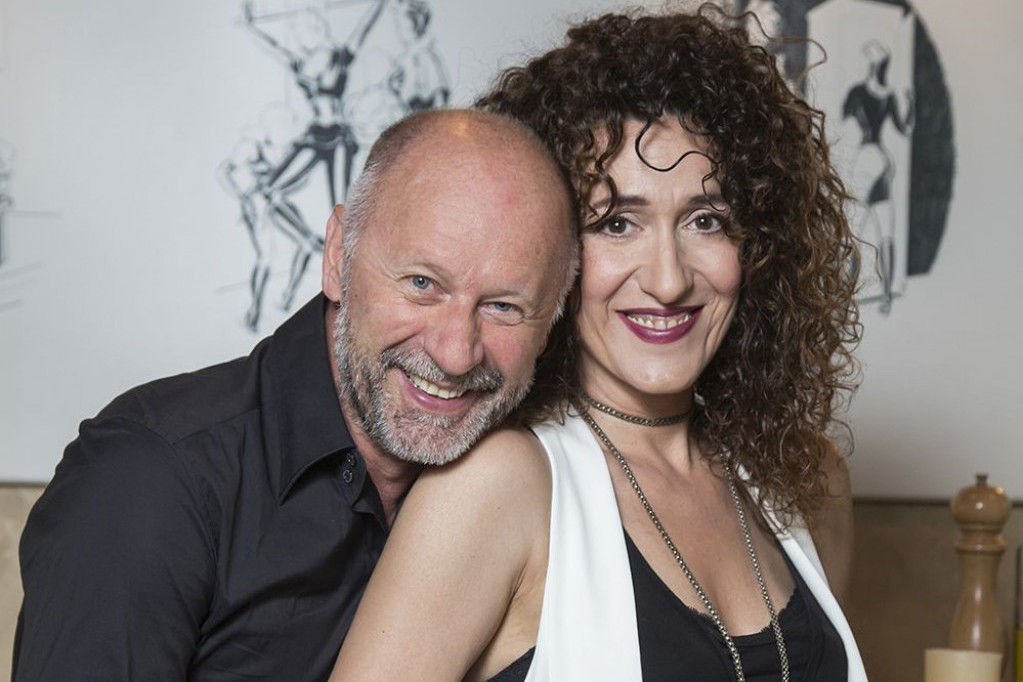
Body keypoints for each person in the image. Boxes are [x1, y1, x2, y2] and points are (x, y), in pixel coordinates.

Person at [331, 8, 866, 682]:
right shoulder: (497, 487)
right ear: (551, 256)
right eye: (616, 223)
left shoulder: (800, 479)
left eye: (706, 220)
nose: (668, 279)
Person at [13, 109, 578, 681]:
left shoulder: (527, 496)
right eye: (422, 283)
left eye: (503, 306)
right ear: (337, 258)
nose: (456, 354)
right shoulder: (150, 476)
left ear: (549, 327)